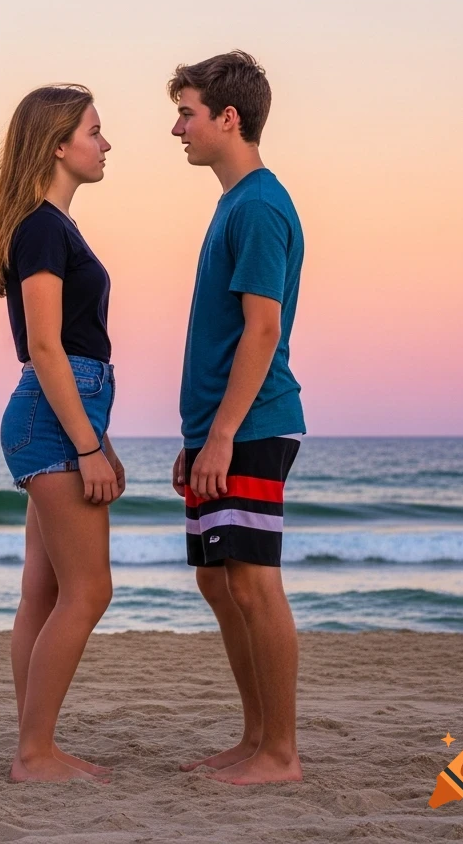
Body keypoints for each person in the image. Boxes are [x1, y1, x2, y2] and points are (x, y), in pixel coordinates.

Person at [167, 51, 306, 785]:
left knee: (253, 583)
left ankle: (280, 754)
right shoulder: (233, 203)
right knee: (220, 584)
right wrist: (199, 439)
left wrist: (221, 433)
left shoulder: (257, 205)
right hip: (221, 429)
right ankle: (255, 739)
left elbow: (261, 330)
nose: (176, 127)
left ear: (228, 118)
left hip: (252, 425)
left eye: (187, 112)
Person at [0, 84, 124, 782]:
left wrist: (98, 435)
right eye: (95, 131)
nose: (105, 144)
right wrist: (87, 444)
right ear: (58, 143)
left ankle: (33, 745)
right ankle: (35, 752)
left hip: (61, 414)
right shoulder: (41, 227)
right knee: (89, 591)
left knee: (43, 593)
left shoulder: (52, 226)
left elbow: (62, 346)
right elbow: (45, 345)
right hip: (53, 414)